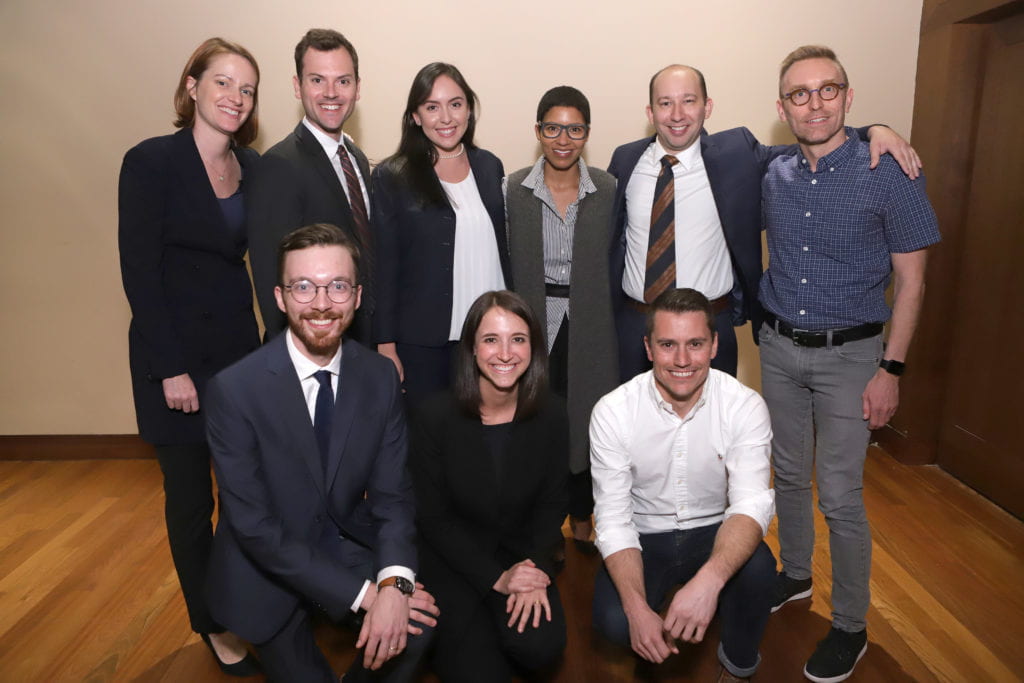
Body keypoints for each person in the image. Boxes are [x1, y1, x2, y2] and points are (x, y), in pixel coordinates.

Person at [760, 46, 940, 683]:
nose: (815, 103)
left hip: (854, 358)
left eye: (827, 89)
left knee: (838, 494)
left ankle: (851, 625)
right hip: (778, 350)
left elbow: (913, 283)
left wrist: (891, 370)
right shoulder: (772, 170)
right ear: (782, 107)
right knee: (785, 471)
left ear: (848, 96)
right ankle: (795, 576)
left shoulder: (890, 170)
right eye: (800, 94)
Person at [204, 224, 439, 682]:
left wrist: (394, 585)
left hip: (341, 540)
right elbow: (253, 527)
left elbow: (393, 497)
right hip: (264, 568)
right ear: (279, 297)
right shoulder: (234, 391)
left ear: (356, 296)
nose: (321, 303)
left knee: (417, 624)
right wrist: (368, 595)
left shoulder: (379, 378)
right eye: (303, 287)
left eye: (337, 286)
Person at [607, 64, 922, 381]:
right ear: (650, 112)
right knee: (634, 425)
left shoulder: (737, 153)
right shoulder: (626, 160)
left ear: (708, 106)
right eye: (665, 103)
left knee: (712, 427)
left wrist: (872, 130)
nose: (677, 114)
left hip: (710, 325)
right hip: (637, 325)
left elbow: (813, 141)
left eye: (689, 101)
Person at [117, 37, 262, 676]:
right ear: (193, 86)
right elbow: (139, 272)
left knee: (244, 492)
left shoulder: (252, 168)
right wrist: (170, 366)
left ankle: (248, 600)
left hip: (238, 354)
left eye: (247, 89)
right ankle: (212, 623)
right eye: (224, 83)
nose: (235, 97)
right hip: (173, 358)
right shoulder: (150, 162)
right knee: (189, 500)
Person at [590, 289, 776, 683]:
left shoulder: (744, 405)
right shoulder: (613, 410)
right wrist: (637, 609)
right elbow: (612, 519)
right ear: (648, 347)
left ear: (714, 345)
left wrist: (710, 582)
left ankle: (739, 664)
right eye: (668, 345)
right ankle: (652, 636)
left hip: (714, 529)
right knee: (615, 620)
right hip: (646, 534)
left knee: (760, 570)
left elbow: (751, 505)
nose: (681, 360)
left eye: (695, 344)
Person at [410, 290, 568, 682]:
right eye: (491, 339)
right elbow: (433, 520)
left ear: (533, 347)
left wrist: (535, 569)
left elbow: (552, 505)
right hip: (454, 562)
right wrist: (496, 578)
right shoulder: (434, 417)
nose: (505, 353)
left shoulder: (552, 413)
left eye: (518, 339)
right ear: (472, 350)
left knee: (540, 648)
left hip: (521, 555)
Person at [505, 86, 617, 547]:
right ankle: (541, 524)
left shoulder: (608, 189)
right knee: (537, 424)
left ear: (587, 134)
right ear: (538, 132)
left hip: (591, 322)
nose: (563, 139)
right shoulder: (514, 189)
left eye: (574, 129)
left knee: (589, 423)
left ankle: (584, 512)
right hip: (534, 321)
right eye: (553, 128)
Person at [372, 62, 511, 404]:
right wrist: (385, 345)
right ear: (416, 116)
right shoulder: (393, 175)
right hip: (422, 344)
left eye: (456, 104)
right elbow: (384, 267)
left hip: (490, 340)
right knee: (428, 445)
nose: (446, 118)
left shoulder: (490, 166)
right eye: (432, 107)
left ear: (469, 109)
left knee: (486, 440)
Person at [247, 28, 375, 344]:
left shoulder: (356, 158)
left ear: (357, 88)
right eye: (317, 80)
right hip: (311, 350)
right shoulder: (279, 165)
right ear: (297, 86)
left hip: (360, 343)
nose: (331, 92)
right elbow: (271, 279)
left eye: (343, 81)